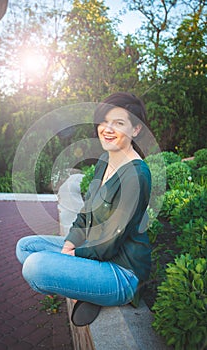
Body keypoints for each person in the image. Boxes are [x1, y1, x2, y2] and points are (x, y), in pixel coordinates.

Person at [16, 92, 152, 327]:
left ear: (136, 130)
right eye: (104, 121)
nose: (107, 129)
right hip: (94, 252)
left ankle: (98, 291)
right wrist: (70, 244)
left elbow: (110, 239)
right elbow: (87, 213)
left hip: (121, 272)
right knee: (26, 246)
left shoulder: (136, 175)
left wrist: (75, 256)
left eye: (118, 123)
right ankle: (90, 290)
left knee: (34, 266)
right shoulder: (105, 161)